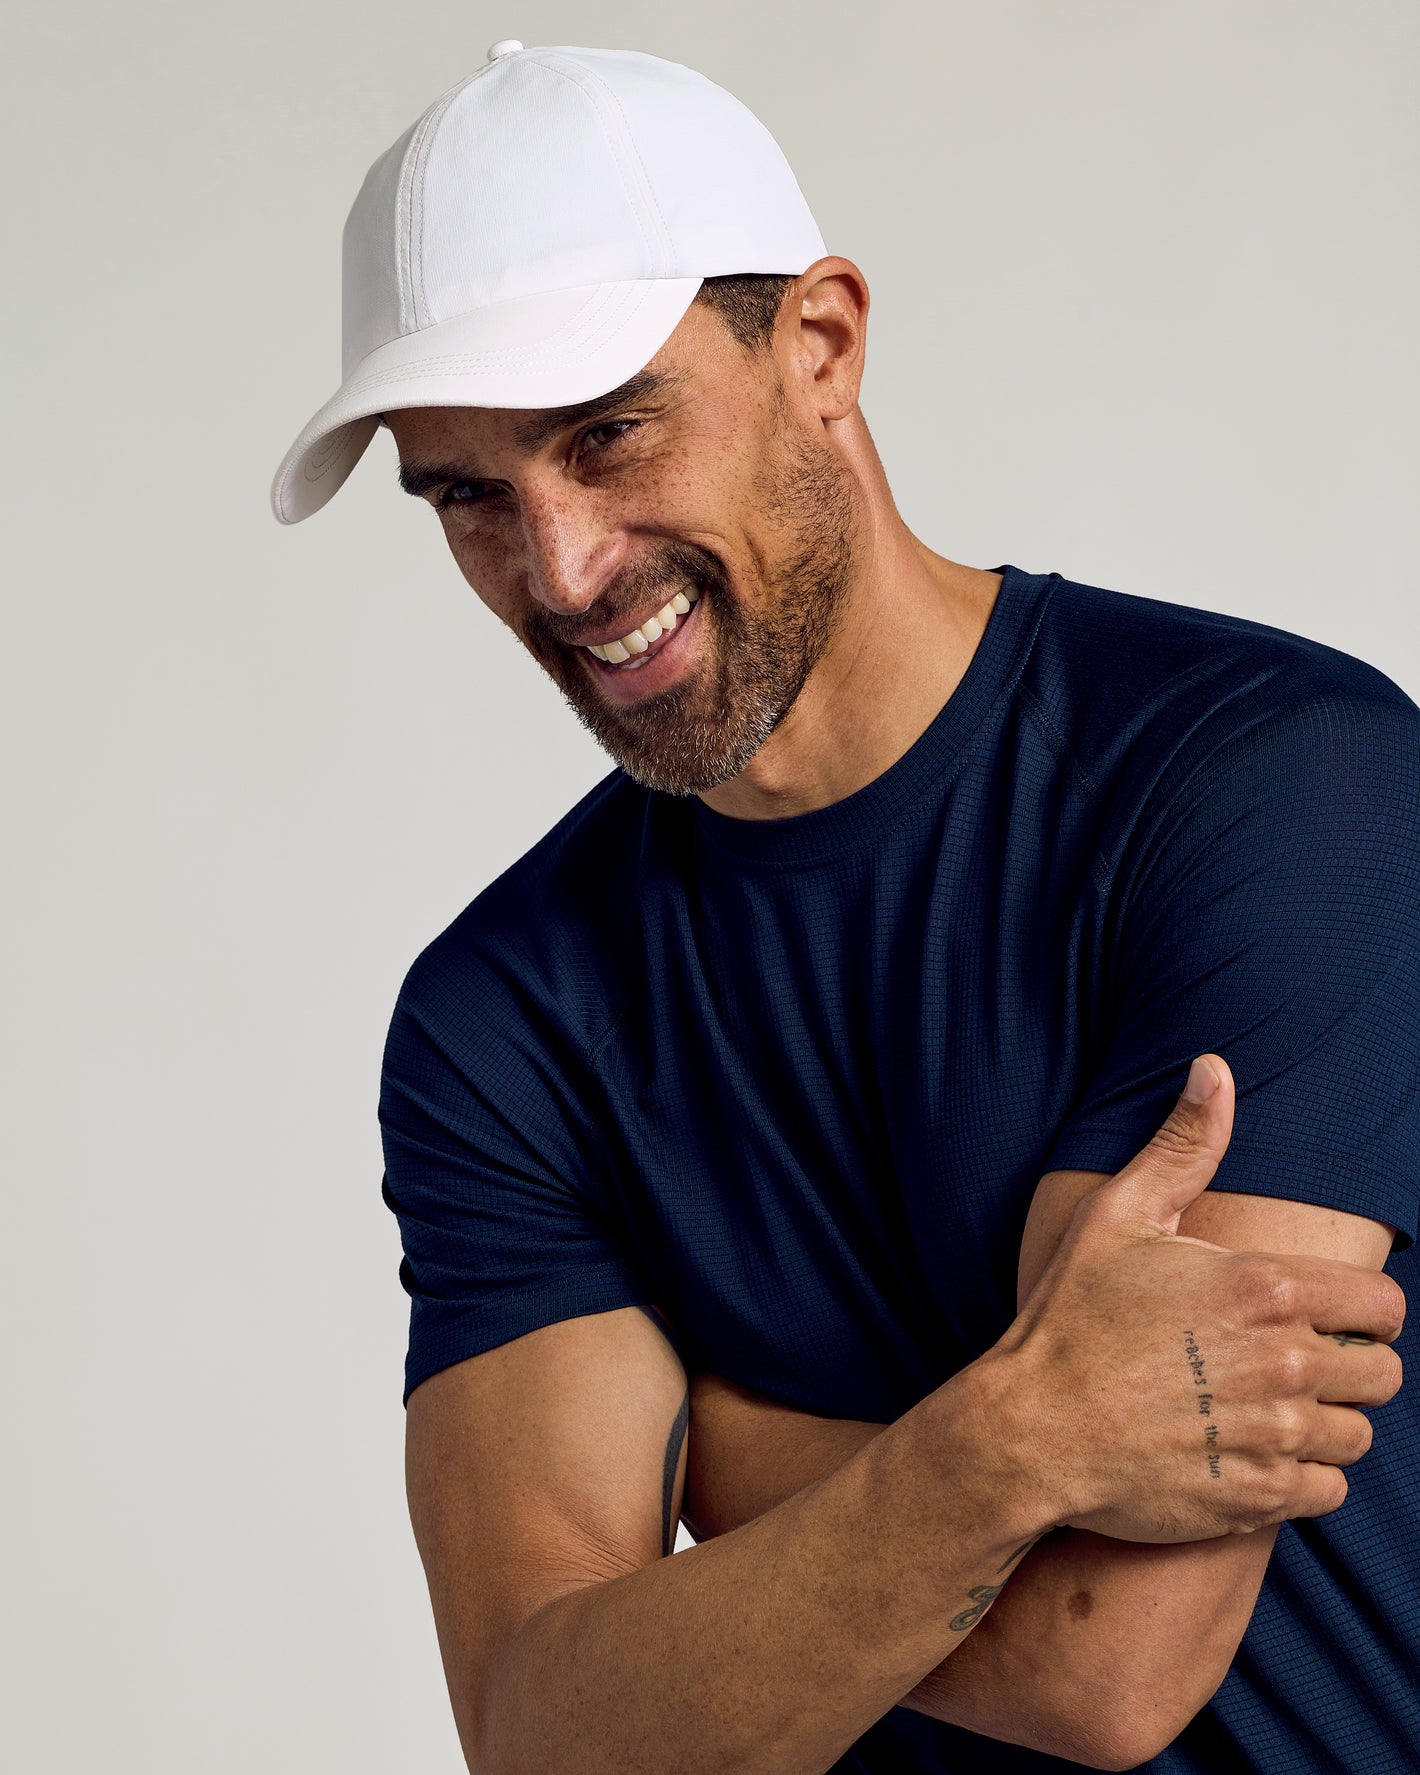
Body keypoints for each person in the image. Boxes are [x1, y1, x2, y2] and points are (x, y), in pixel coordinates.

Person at [271, 43, 1418, 1775]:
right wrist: (1010, 1440)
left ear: (820, 344)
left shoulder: (1271, 785)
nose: (562, 570)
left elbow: (1109, 1657)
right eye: (473, 497)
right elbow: (542, 1731)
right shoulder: (500, 1020)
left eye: (607, 434)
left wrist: (711, 1458)